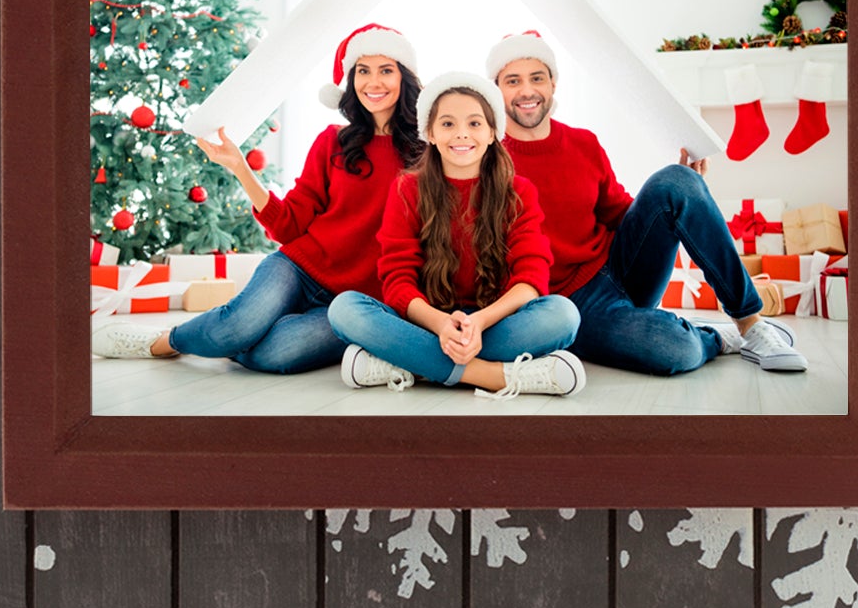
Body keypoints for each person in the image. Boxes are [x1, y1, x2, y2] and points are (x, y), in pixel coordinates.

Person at [93, 23, 423, 373]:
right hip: (301, 269)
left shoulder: (426, 153)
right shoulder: (333, 141)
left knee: (274, 354)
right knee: (237, 327)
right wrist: (240, 167)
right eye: (363, 71)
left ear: (404, 77)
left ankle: (222, 338)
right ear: (350, 80)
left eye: (386, 70)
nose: (374, 82)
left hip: (358, 301)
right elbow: (290, 225)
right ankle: (162, 342)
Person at [484, 30, 806, 376]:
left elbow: (620, 213)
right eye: (513, 81)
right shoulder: (486, 159)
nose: (527, 91)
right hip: (567, 306)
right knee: (675, 350)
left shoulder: (583, 144)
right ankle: (710, 337)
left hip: (619, 269)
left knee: (676, 179)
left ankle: (751, 324)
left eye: (537, 78)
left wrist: (679, 195)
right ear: (496, 90)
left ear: (553, 84)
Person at [327, 72, 586, 398]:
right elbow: (397, 280)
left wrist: (478, 323)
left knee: (563, 315)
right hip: (427, 321)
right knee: (344, 308)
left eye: (475, 123)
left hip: (492, 323)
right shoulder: (407, 189)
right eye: (448, 123)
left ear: (492, 133)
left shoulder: (518, 192)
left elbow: (530, 279)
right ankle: (493, 376)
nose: (462, 133)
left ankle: (410, 365)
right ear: (430, 133)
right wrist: (440, 325)